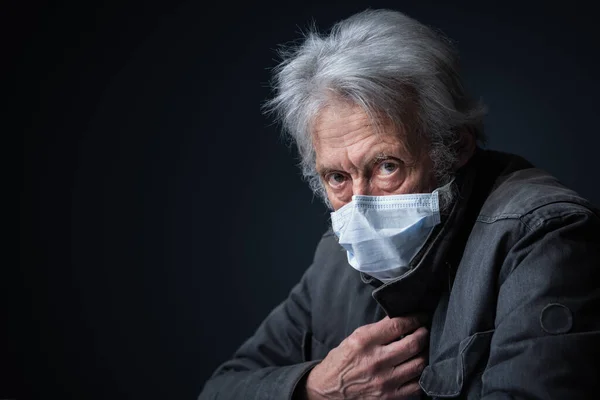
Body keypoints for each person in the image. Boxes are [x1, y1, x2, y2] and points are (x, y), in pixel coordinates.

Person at [199, 9, 600, 399]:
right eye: (337, 177)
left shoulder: (543, 236)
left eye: (387, 166)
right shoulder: (334, 259)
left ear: (455, 147)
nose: (361, 205)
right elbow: (221, 388)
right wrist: (315, 390)